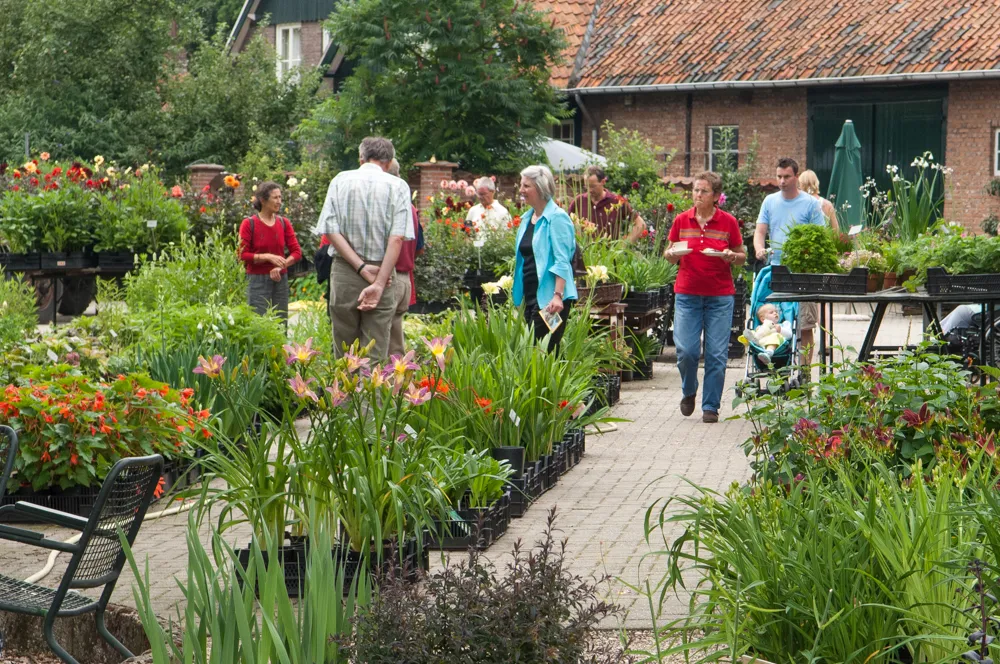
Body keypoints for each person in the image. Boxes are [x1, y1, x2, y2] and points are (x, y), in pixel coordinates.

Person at [314, 137, 415, 360]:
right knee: (375, 352)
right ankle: (372, 396)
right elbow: (397, 239)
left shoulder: (340, 180)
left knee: (344, 352)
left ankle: (344, 395)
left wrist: (360, 267)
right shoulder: (398, 186)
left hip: (345, 271)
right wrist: (378, 284)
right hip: (384, 273)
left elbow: (330, 230)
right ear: (389, 163)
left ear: (361, 159)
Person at [664, 171, 746, 424]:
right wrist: (671, 255)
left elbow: (742, 254)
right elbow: (670, 251)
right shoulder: (681, 220)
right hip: (687, 294)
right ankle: (689, 391)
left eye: (703, 191)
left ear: (715, 196)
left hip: (720, 296)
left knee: (717, 354)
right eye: (696, 190)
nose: (698, 195)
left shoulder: (728, 222)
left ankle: (711, 406)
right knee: (686, 350)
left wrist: (732, 256)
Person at [753, 157, 825, 366]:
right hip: (776, 271)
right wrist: (759, 249)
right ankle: (778, 362)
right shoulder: (770, 201)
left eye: (786, 177)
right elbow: (760, 231)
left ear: (796, 177)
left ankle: (804, 372)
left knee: (805, 325)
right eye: (779, 177)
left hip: (803, 273)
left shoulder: (810, 204)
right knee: (776, 319)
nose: (782, 181)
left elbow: (819, 236)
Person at [511, 164, 578, 351]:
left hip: (550, 299)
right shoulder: (527, 219)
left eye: (526, 186)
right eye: (521, 185)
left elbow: (562, 260)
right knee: (535, 352)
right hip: (530, 295)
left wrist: (557, 296)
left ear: (541, 188)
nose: (521, 190)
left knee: (542, 350)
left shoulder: (557, 218)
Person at [239, 181, 302, 325]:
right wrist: (268, 257)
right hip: (256, 281)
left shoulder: (283, 223)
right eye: (275, 198)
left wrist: (281, 265)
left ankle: (281, 348)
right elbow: (242, 255)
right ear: (262, 200)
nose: (279, 201)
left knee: (280, 324)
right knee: (258, 324)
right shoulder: (249, 224)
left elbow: (296, 252)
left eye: (280, 197)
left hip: (280, 279)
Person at [387, 158, 425, 357]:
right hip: (405, 279)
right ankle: (399, 385)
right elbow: (420, 247)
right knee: (396, 339)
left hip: (388, 277)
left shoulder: (388, 205)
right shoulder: (411, 209)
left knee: (380, 339)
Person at [568, 165, 645, 242]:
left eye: (593, 186)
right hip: (585, 252)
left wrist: (625, 244)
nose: (589, 190)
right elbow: (565, 223)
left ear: (603, 182)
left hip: (609, 252)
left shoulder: (617, 201)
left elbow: (641, 224)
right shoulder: (579, 201)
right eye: (587, 186)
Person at [798, 170, 840, 235]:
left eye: (799, 184)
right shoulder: (827, 204)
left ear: (802, 184)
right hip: (824, 242)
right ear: (816, 182)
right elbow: (836, 231)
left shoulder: (800, 203)